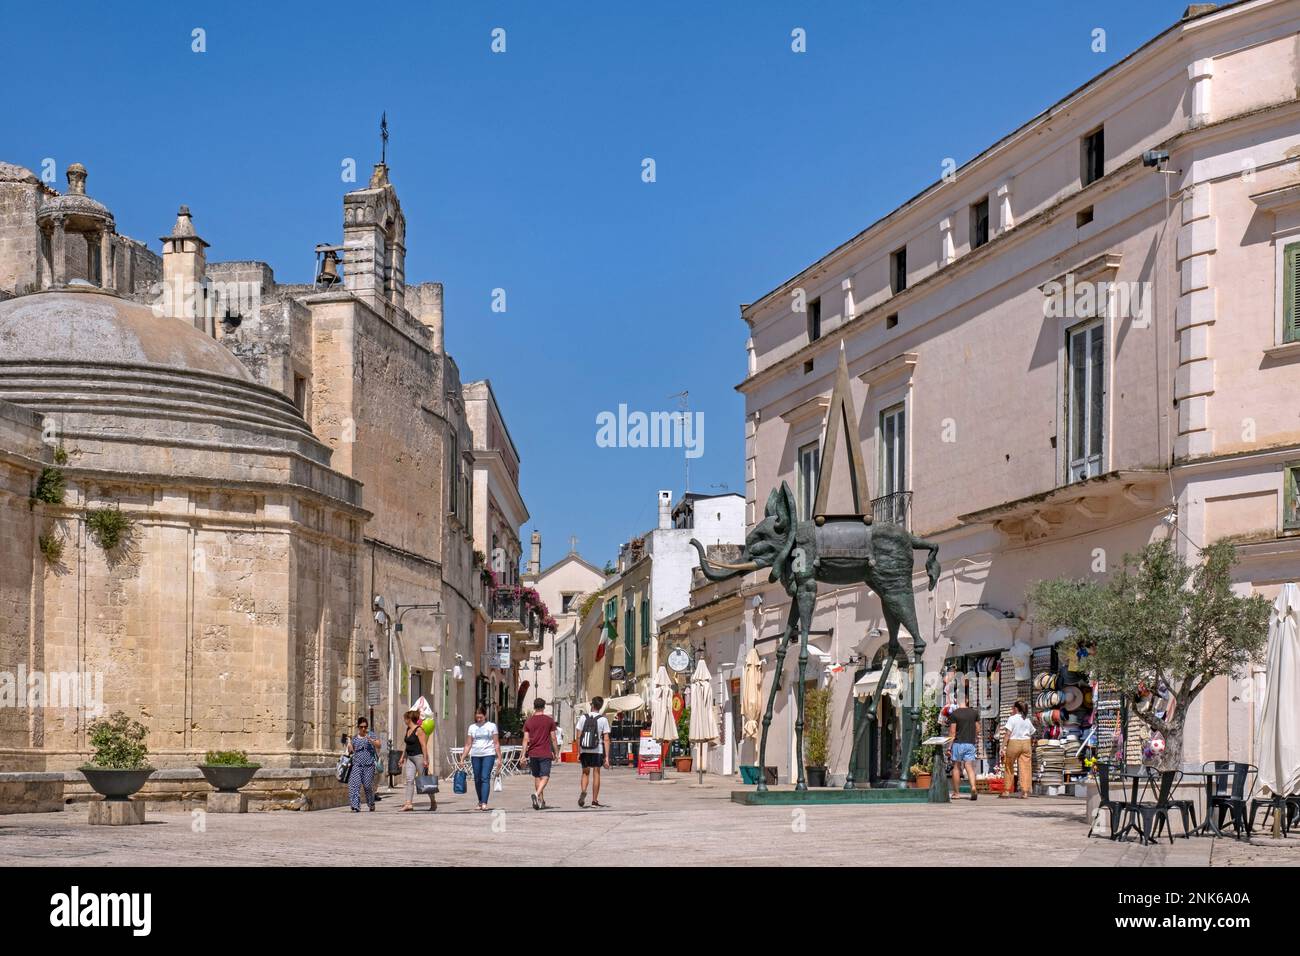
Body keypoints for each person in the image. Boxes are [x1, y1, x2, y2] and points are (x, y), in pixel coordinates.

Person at [521, 697, 559, 810]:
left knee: (537, 776)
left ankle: (540, 801)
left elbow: (525, 739)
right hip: (545, 752)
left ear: (534, 707)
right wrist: (556, 752)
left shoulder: (529, 721)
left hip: (533, 753)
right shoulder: (549, 720)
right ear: (544, 707)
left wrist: (523, 755)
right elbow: (553, 738)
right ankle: (537, 795)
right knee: (545, 776)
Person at [576, 696, 611, 808]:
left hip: (584, 749)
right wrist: (606, 757)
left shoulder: (583, 718)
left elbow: (578, 736)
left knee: (585, 772)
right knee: (596, 773)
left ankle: (583, 790)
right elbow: (606, 739)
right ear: (600, 707)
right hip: (597, 749)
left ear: (591, 705)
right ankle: (594, 800)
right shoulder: (603, 720)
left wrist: (578, 752)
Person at [464, 707, 500, 811]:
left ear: (485, 716)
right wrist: (462, 757)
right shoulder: (472, 727)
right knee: (477, 779)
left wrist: (499, 758)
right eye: (477, 717)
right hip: (475, 755)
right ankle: (480, 801)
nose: (479, 719)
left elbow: (496, 742)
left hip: (488, 754)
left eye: (481, 717)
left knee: (485, 777)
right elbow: (468, 744)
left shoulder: (492, 726)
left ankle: (484, 802)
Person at [398, 709, 433, 811]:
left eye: (405, 718)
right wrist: (402, 757)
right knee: (409, 780)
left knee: (424, 781)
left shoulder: (419, 730)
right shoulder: (407, 729)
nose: (404, 720)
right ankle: (408, 803)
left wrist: (425, 759)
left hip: (419, 757)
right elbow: (407, 745)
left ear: (409, 719)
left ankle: (433, 801)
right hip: (410, 758)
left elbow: (423, 745)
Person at [1000, 700, 1035, 799]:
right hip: (1026, 743)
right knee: (1025, 767)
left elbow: (1008, 733)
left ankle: (1007, 790)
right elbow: (1032, 732)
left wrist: (1002, 747)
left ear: (1016, 709)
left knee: (1009, 765)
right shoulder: (1027, 720)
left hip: (1014, 742)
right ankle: (1025, 792)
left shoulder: (1012, 719)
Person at [946, 703, 980, 801]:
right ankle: (973, 787)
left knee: (956, 767)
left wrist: (949, 747)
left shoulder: (955, 714)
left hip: (958, 743)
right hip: (970, 743)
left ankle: (956, 793)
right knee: (969, 767)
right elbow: (978, 729)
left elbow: (952, 732)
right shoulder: (974, 713)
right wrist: (974, 737)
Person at [347, 717, 380, 812]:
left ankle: (371, 803)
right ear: (358, 727)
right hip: (357, 765)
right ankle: (355, 806)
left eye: (365, 727)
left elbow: (379, 745)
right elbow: (351, 751)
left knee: (367, 786)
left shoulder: (371, 735)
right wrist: (349, 744)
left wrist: (371, 740)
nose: (363, 729)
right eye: (361, 727)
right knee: (355, 785)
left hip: (369, 765)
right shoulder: (355, 738)